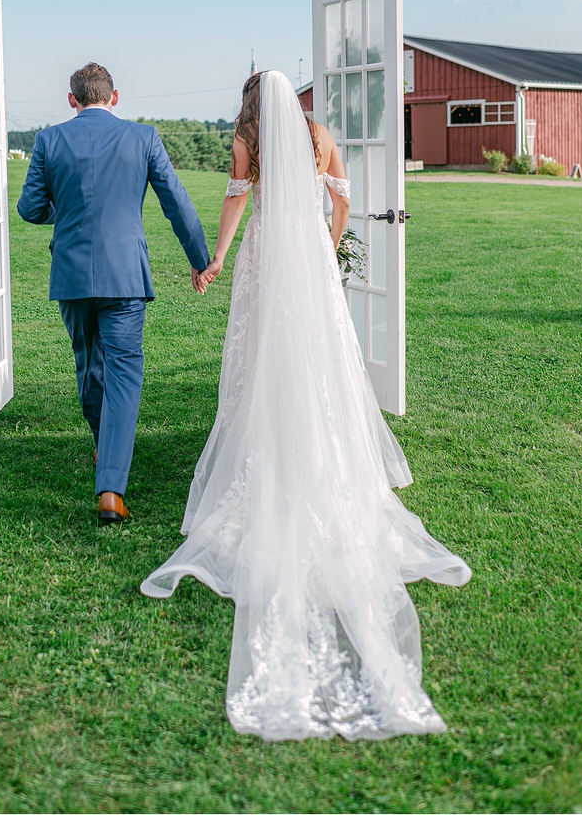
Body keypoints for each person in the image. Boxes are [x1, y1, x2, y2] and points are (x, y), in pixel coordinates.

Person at [141, 70, 470, 742]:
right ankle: (323, 453)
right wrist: (327, 240)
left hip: (267, 255)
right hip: (309, 261)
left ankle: (265, 453)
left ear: (252, 102)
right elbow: (342, 197)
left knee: (262, 360)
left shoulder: (247, 140)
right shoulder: (319, 135)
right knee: (322, 361)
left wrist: (216, 261)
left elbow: (236, 205)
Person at [18, 62, 209, 525]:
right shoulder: (143, 138)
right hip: (125, 274)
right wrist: (201, 259)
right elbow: (176, 203)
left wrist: (66, 216)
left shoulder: (48, 140)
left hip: (71, 275)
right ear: (114, 97)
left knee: (90, 368)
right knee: (123, 373)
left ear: (72, 100)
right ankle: (110, 486)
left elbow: (29, 208)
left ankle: (107, 455)